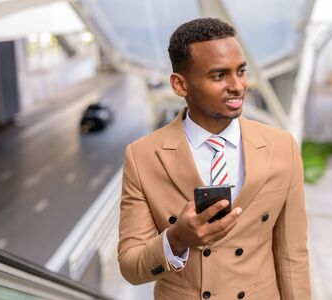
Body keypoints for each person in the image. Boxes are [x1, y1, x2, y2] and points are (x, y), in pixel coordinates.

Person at [118, 18, 310, 300]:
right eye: (219, 76)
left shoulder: (283, 147)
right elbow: (130, 267)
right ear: (180, 85)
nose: (238, 86)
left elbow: (293, 254)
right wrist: (178, 238)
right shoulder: (142, 156)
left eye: (241, 71)